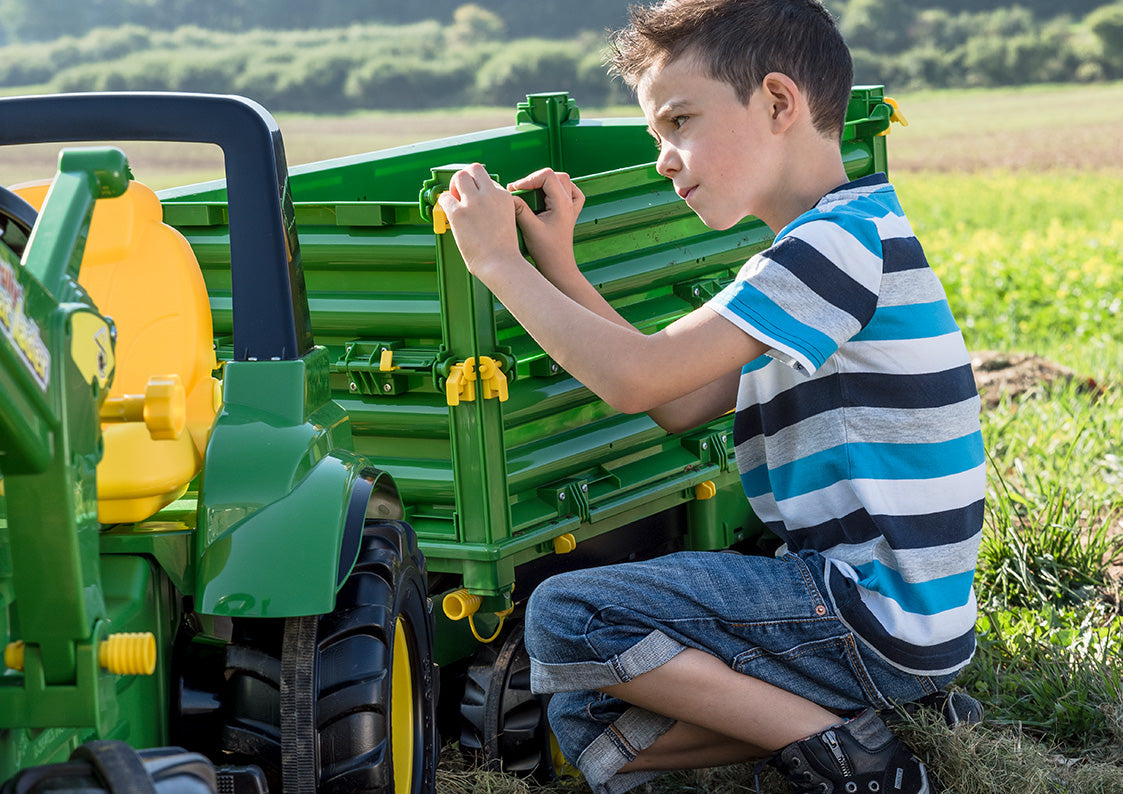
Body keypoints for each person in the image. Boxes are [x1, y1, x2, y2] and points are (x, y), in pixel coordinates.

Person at [436, 1, 985, 791]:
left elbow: (635, 380)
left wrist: (497, 262)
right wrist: (560, 263)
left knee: (565, 618)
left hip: (864, 610)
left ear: (776, 103)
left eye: (678, 122)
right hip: (909, 626)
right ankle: (887, 716)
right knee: (585, 725)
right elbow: (681, 401)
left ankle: (858, 763)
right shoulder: (843, 238)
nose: (663, 157)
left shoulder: (828, 251)